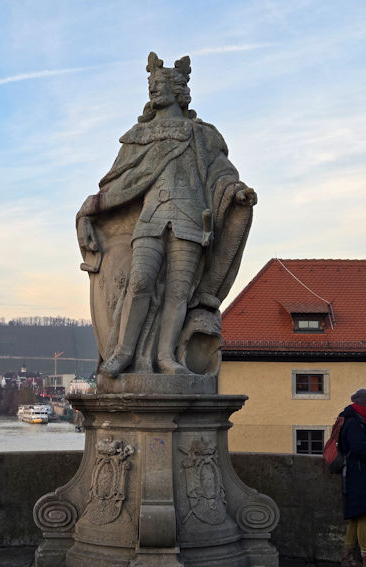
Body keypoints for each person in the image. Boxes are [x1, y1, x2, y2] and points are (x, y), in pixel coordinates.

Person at [77, 52, 256, 377]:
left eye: (160, 83)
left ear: (178, 89)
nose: (154, 88)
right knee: (140, 283)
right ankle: (123, 354)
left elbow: (221, 173)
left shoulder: (202, 135)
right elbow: (118, 183)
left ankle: (166, 357)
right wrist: (89, 211)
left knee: (178, 292)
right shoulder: (137, 136)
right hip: (151, 219)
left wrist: (235, 192)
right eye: (151, 83)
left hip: (190, 220)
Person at [339, 388, 366, 567]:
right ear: (364, 404)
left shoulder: (359, 421)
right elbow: (360, 450)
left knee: (356, 517)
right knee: (365, 515)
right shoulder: (355, 423)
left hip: (360, 474)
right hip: (360, 476)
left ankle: (347, 558)